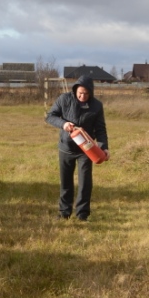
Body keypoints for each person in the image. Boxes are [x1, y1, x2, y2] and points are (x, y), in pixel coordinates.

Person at [46, 74, 109, 221]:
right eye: (80, 93)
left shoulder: (97, 106)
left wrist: (104, 147)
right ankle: (64, 213)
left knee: (85, 182)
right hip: (66, 148)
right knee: (66, 182)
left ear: (91, 92)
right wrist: (63, 124)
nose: (82, 96)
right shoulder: (64, 99)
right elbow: (50, 116)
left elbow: (100, 129)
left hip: (86, 149)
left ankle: (82, 214)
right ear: (75, 90)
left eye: (86, 94)